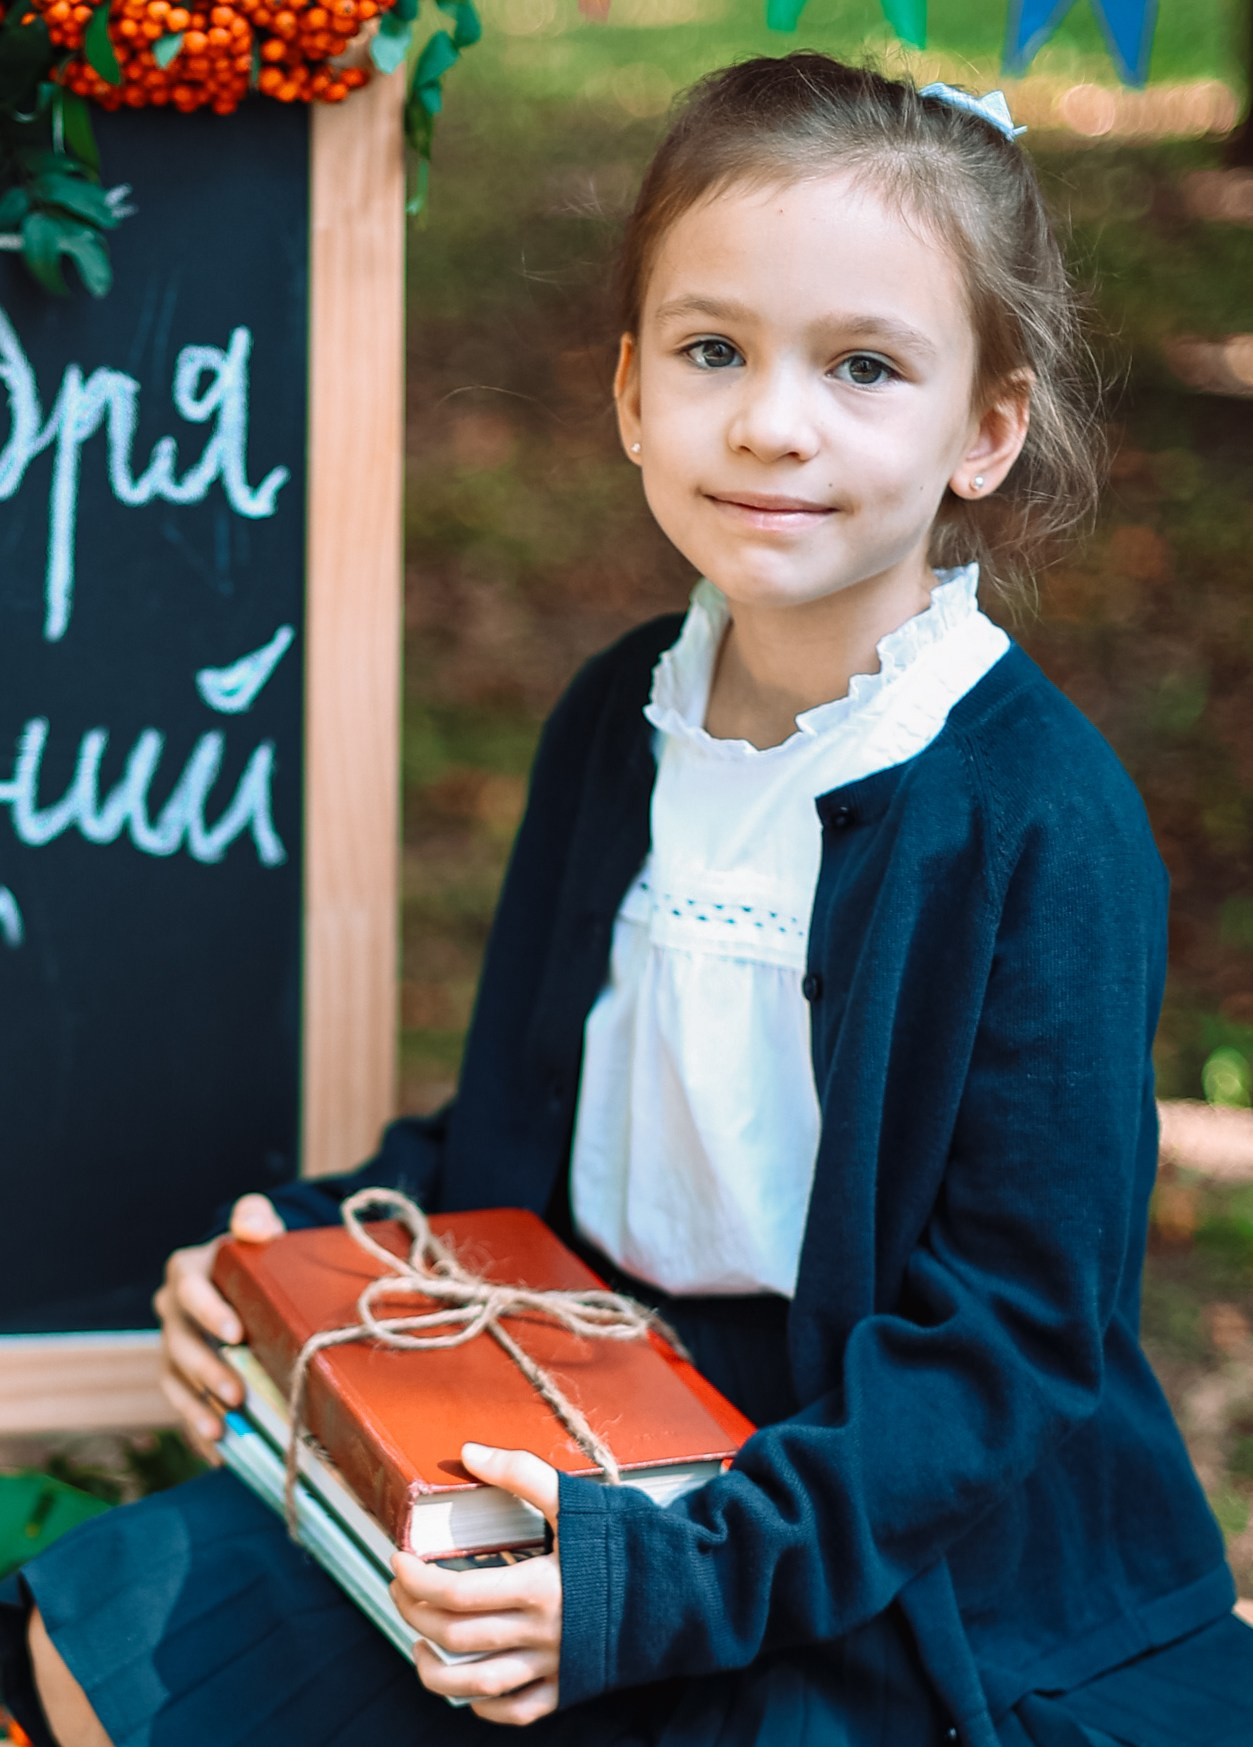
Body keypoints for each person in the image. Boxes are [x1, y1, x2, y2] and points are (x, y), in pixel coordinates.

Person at [3, 51, 1251, 1747]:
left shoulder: (1036, 820)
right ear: (627, 392)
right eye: (711, 350)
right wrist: (292, 1265)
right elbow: (537, 1128)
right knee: (107, 1651)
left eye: (863, 366)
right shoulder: (621, 715)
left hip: (866, 1516)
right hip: (576, 1412)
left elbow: (1010, 1347)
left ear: (985, 431)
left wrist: (645, 1583)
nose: (768, 419)